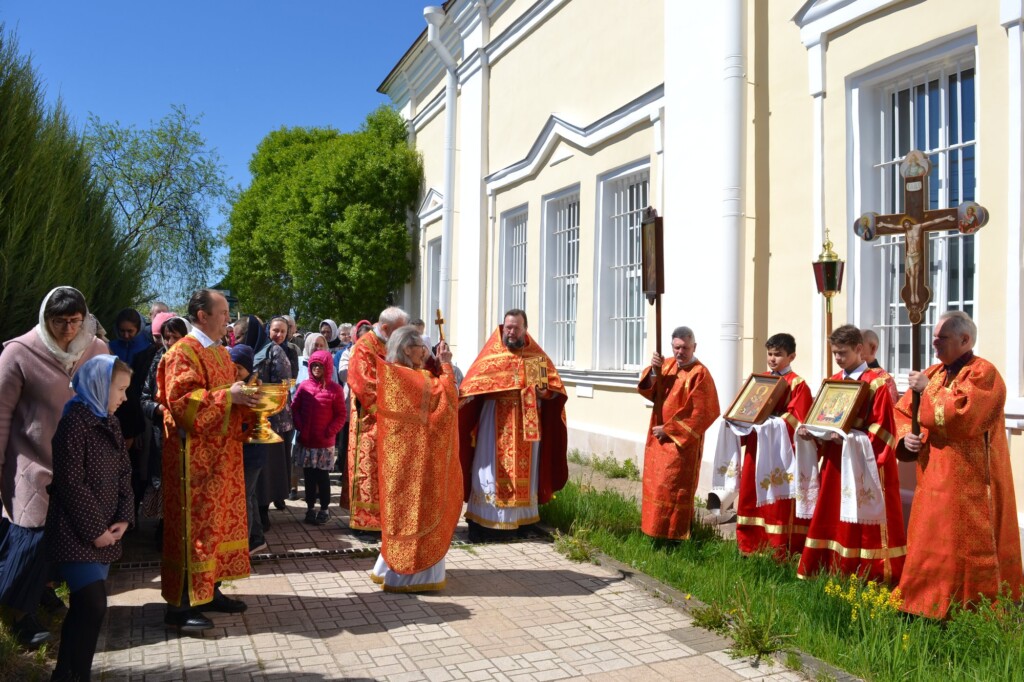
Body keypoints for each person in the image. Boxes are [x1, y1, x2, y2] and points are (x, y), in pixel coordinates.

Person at [894, 311, 1023, 618]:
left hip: (971, 482)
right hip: (932, 477)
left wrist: (928, 390)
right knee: (930, 542)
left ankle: (968, 610)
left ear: (965, 339)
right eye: (935, 337)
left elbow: (962, 418)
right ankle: (923, 604)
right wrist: (907, 439)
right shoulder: (934, 372)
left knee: (962, 548)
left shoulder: (984, 374)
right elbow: (904, 412)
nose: (934, 344)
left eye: (942, 338)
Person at [0, 286, 108, 648]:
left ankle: (43, 594)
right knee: (31, 537)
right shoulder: (18, 353)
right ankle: (17, 614)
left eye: (75, 321)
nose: (67, 330)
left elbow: (108, 403)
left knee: (70, 537)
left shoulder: (96, 350)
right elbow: (1, 414)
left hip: (80, 465)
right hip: (32, 462)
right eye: (58, 321)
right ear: (45, 319)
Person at [156, 289, 258, 632]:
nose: (228, 318)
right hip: (193, 462)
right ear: (203, 315)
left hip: (222, 457)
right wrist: (228, 396)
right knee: (193, 528)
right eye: (223, 311)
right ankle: (179, 608)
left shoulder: (219, 353)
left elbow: (231, 395)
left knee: (215, 526)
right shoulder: (182, 352)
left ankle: (208, 590)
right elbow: (182, 402)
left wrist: (251, 400)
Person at [795, 325, 906, 584]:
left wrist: (849, 438)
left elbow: (883, 431)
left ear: (860, 350)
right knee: (832, 514)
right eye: (835, 353)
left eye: (843, 353)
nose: (838, 359)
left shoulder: (876, 383)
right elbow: (822, 419)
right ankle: (829, 567)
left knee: (860, 523)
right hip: (835, 461)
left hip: (862, 464)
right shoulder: (833, 382)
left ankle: (866, 573)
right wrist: (812, 434)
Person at [45, 355, 133, 681]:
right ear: (99, 386)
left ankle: (64, 673)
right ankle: (79, 674)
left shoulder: (110, 420)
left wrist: (123, 518)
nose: (124, 397)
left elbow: (125, 472)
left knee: (83, 608)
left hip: (106, 532)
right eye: (120, 389)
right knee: (94, 605)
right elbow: (70, 482)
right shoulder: (74, 422)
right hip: (76, 532)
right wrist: (96, 530)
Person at [459, 309, 568, 543]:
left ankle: (521, 521)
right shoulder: (492, 356)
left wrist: (545, 392)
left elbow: (551, 390)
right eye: (508, 327)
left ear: (525, 329)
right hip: (495, 425)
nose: (511, 332)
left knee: (526, 475)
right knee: (489, 468)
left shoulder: (534, 356)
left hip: (527, 426)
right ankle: (487, 523)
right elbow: (471, 385)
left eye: (516, 328)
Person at [370, 326, 461, 591]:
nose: (426, 352)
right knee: (416, 512)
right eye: (422, 347)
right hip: (416, 462)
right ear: (408, 349)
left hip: (401, 459)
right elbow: (446, 405)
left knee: (400, 513)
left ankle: (388, 568)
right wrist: (445, 364)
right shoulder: (411, 378)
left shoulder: (395, 374)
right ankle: (413, 575)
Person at [637, 326, 720, 541]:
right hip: (657, 440)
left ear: (694, 347)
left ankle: (675, 536)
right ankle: (653, 532)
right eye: (676, 347)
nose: (680, 352)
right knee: (657, 486)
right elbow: (649, 391)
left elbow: (703, 411)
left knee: (674, 488)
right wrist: (655, 371)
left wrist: (670, 429)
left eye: (684, 348)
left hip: (681, 443)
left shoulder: (700, 373)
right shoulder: (666, 366)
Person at [733, 334, 812, 557]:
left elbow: (797, 419)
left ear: (792, 356)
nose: (772, 359)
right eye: (770, 354)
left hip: (779, 452)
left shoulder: (798, 384)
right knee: (750, 493)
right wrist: (739, 419)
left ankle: (777, 547)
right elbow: (747, 407)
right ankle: (749, 544)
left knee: (778, 502)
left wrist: (767, 424)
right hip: (757, 447)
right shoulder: (760, 380)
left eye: (778, 354)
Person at [346, 307, 410, 532]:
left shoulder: (393, 344)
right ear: (385, 328)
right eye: (399, 331)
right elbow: (365, 384)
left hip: (392, 420)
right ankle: (365, 522)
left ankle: (386, 519)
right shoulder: (364, 346)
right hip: (370, 420)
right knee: (369, 470)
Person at [138, 317, 190, 548]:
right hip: (164, 435)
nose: (169, 342)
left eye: (175, 337)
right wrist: (158, 409)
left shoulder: (194, 362)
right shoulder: (159, 359)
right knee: (165, 482)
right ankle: (163, 528)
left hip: (190, 436)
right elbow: (145, 397)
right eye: (165, 337)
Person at [291, 350, 347, 525]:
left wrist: (330, 431)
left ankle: (324, 508)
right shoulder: (304, 386)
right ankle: (310, 508)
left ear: (327, 367)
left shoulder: (335, 389)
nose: (316, 368)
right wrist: (300, 426)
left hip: (324, 443)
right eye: (314, 365)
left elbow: (341, 415)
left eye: (320, 366)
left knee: (322, 478)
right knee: (308, 478)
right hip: (307, 442)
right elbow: (295, 407)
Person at [229, 344, 268, 555]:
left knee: (244, 496)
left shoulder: (252, 389)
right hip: (246, 448)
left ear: (248, 369)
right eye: (231, 366)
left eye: (239, 368)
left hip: (251, 450)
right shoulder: (239, 385)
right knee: (249, 494)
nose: (235, 371)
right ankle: (256, 538)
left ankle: (245, 544)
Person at [262, 316, 296, 507]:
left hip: (285, 411)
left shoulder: (290, 351)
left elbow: (291, 379)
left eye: (283, 331)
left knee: (284, 456)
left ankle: (280, 495)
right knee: (271, 458)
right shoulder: (264, 351)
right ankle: (271, 495)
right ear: (269, 330)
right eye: (276, 330)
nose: (279, 335)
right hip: (269, 413)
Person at [860, 329, 898, 403]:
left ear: (873, 348)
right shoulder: (847, 374)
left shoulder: (885, 380)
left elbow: (888, 411)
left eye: (859, 347)